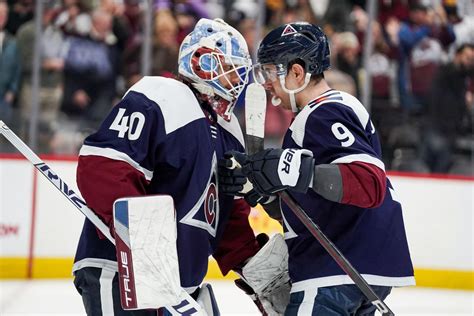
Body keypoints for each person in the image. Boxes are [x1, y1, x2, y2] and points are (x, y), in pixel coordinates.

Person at [73, 18, 288, 315]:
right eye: (231, 67)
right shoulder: (160, 94)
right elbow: (104, 166)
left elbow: (224, 215)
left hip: (181, 287)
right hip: (123, 271)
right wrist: (142, 237)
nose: (238, 78)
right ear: (202, 62)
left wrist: (250, 261)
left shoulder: (229, 130)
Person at [219, 22, 415, 315]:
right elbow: (315, 201)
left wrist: (291, 170)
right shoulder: (316, 117)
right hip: (353, 269)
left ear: (297, 72)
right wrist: (264, 190)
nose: (266, 82)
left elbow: (369, 183)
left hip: (333, 270)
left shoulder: (325, 112)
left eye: (270, 71)